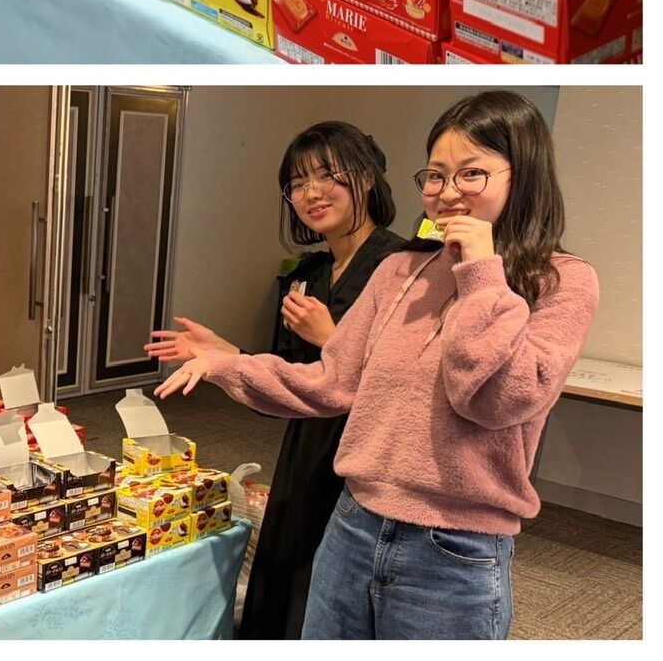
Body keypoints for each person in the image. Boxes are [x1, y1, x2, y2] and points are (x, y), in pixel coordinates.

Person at [155, 91, 599, 640]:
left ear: (523, 175)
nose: (448, 192)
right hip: (354, 523)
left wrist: (481, 273)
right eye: (435, 176)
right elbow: (331, 381)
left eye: (471, 174)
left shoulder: (561, 280)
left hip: (454, 546)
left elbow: (494, 401)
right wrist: (228, 363)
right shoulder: (400, 270)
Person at [146, 121, 408, 640]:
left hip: (366, 455)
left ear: (366, 178)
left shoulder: (401, 268)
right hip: (306, 448)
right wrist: (228, 354)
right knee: (285, 569)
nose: (311, 193)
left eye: (327, 175)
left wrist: (330, 336)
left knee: (332, 587)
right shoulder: (310, 274)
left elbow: (401, 382)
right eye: (298, 183)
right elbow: (291, 381)